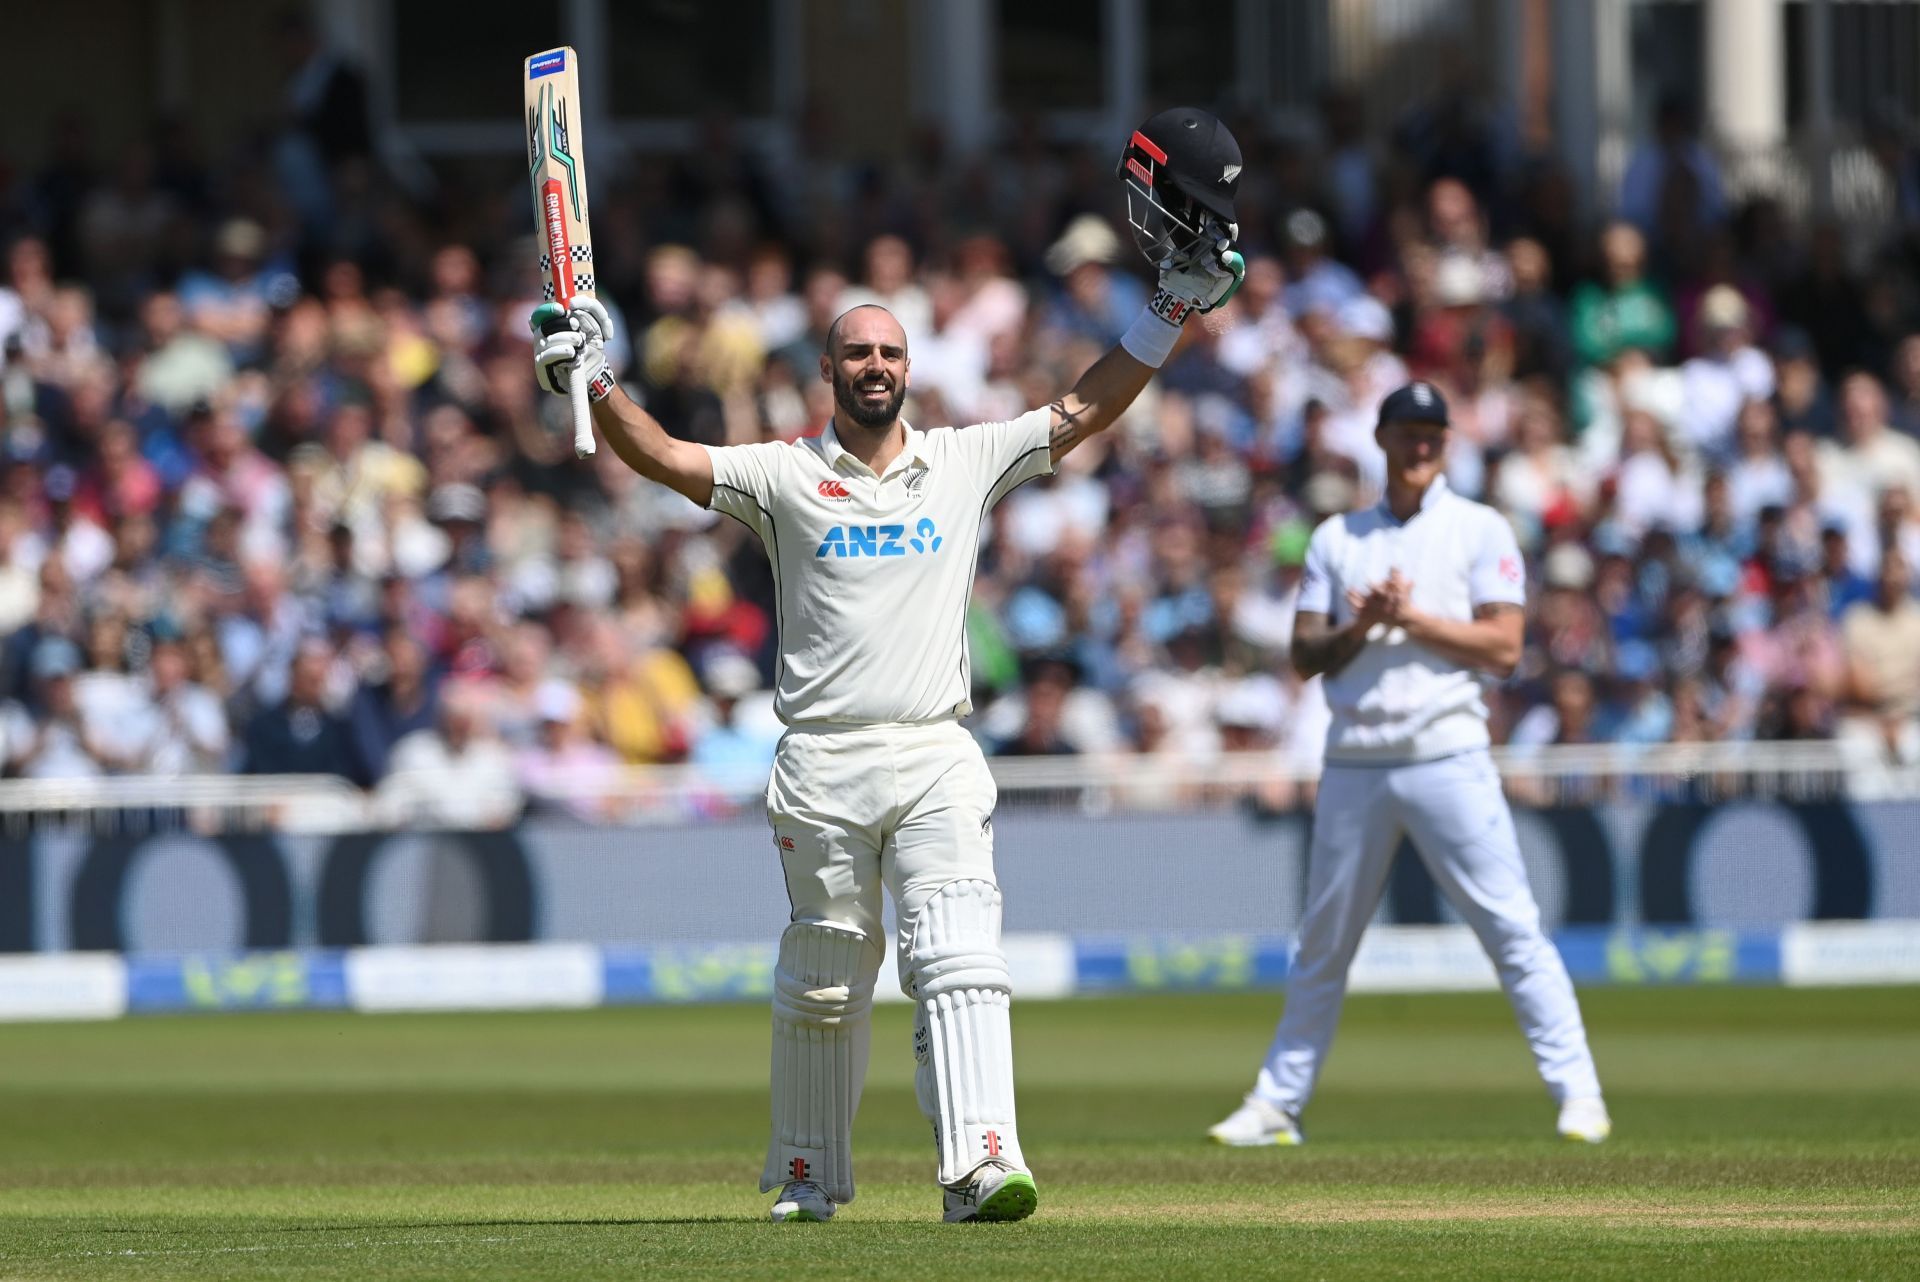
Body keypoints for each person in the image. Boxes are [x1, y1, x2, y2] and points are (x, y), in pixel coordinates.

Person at [531, 107, 1246, 1224]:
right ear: (827, 369)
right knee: (825, 976)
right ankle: (809, 1176)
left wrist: (1167, 316)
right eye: (858, 352)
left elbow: (1082, 408)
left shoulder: (962, 462)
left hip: (934, 753)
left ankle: (981, 1163)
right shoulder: (778, 475)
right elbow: (666, 457)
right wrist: (597, 381)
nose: (876, 366)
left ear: (910, 369)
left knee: (959, 953)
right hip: (820, 760)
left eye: (891, 353)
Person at [1208, 381, 1610, 1148]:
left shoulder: (1480, 528)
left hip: (1447, 753)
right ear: (1384, 440)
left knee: (1511, 928)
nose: (1420, 445)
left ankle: (1579, 1094)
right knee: (1324, 940)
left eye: (1433, 432)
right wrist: (1362, 622)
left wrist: (1410, 617)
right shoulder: (1338, 537)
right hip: (1356, 758)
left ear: (1447, 442)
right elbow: (1305, 654)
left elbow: (1504, 647)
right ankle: (1276, 1105)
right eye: (1407, 432)